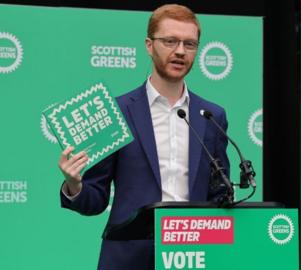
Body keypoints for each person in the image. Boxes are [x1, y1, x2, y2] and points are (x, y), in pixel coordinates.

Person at [57, 4, 230, 270]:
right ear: (149, 45)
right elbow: (96, 198)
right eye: (170, 41)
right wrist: (74, 185)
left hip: (194, 256)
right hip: (129, 258)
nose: (180, 51)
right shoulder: (117, 111)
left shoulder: (212, 116)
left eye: (190, 44)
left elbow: (220, 194)